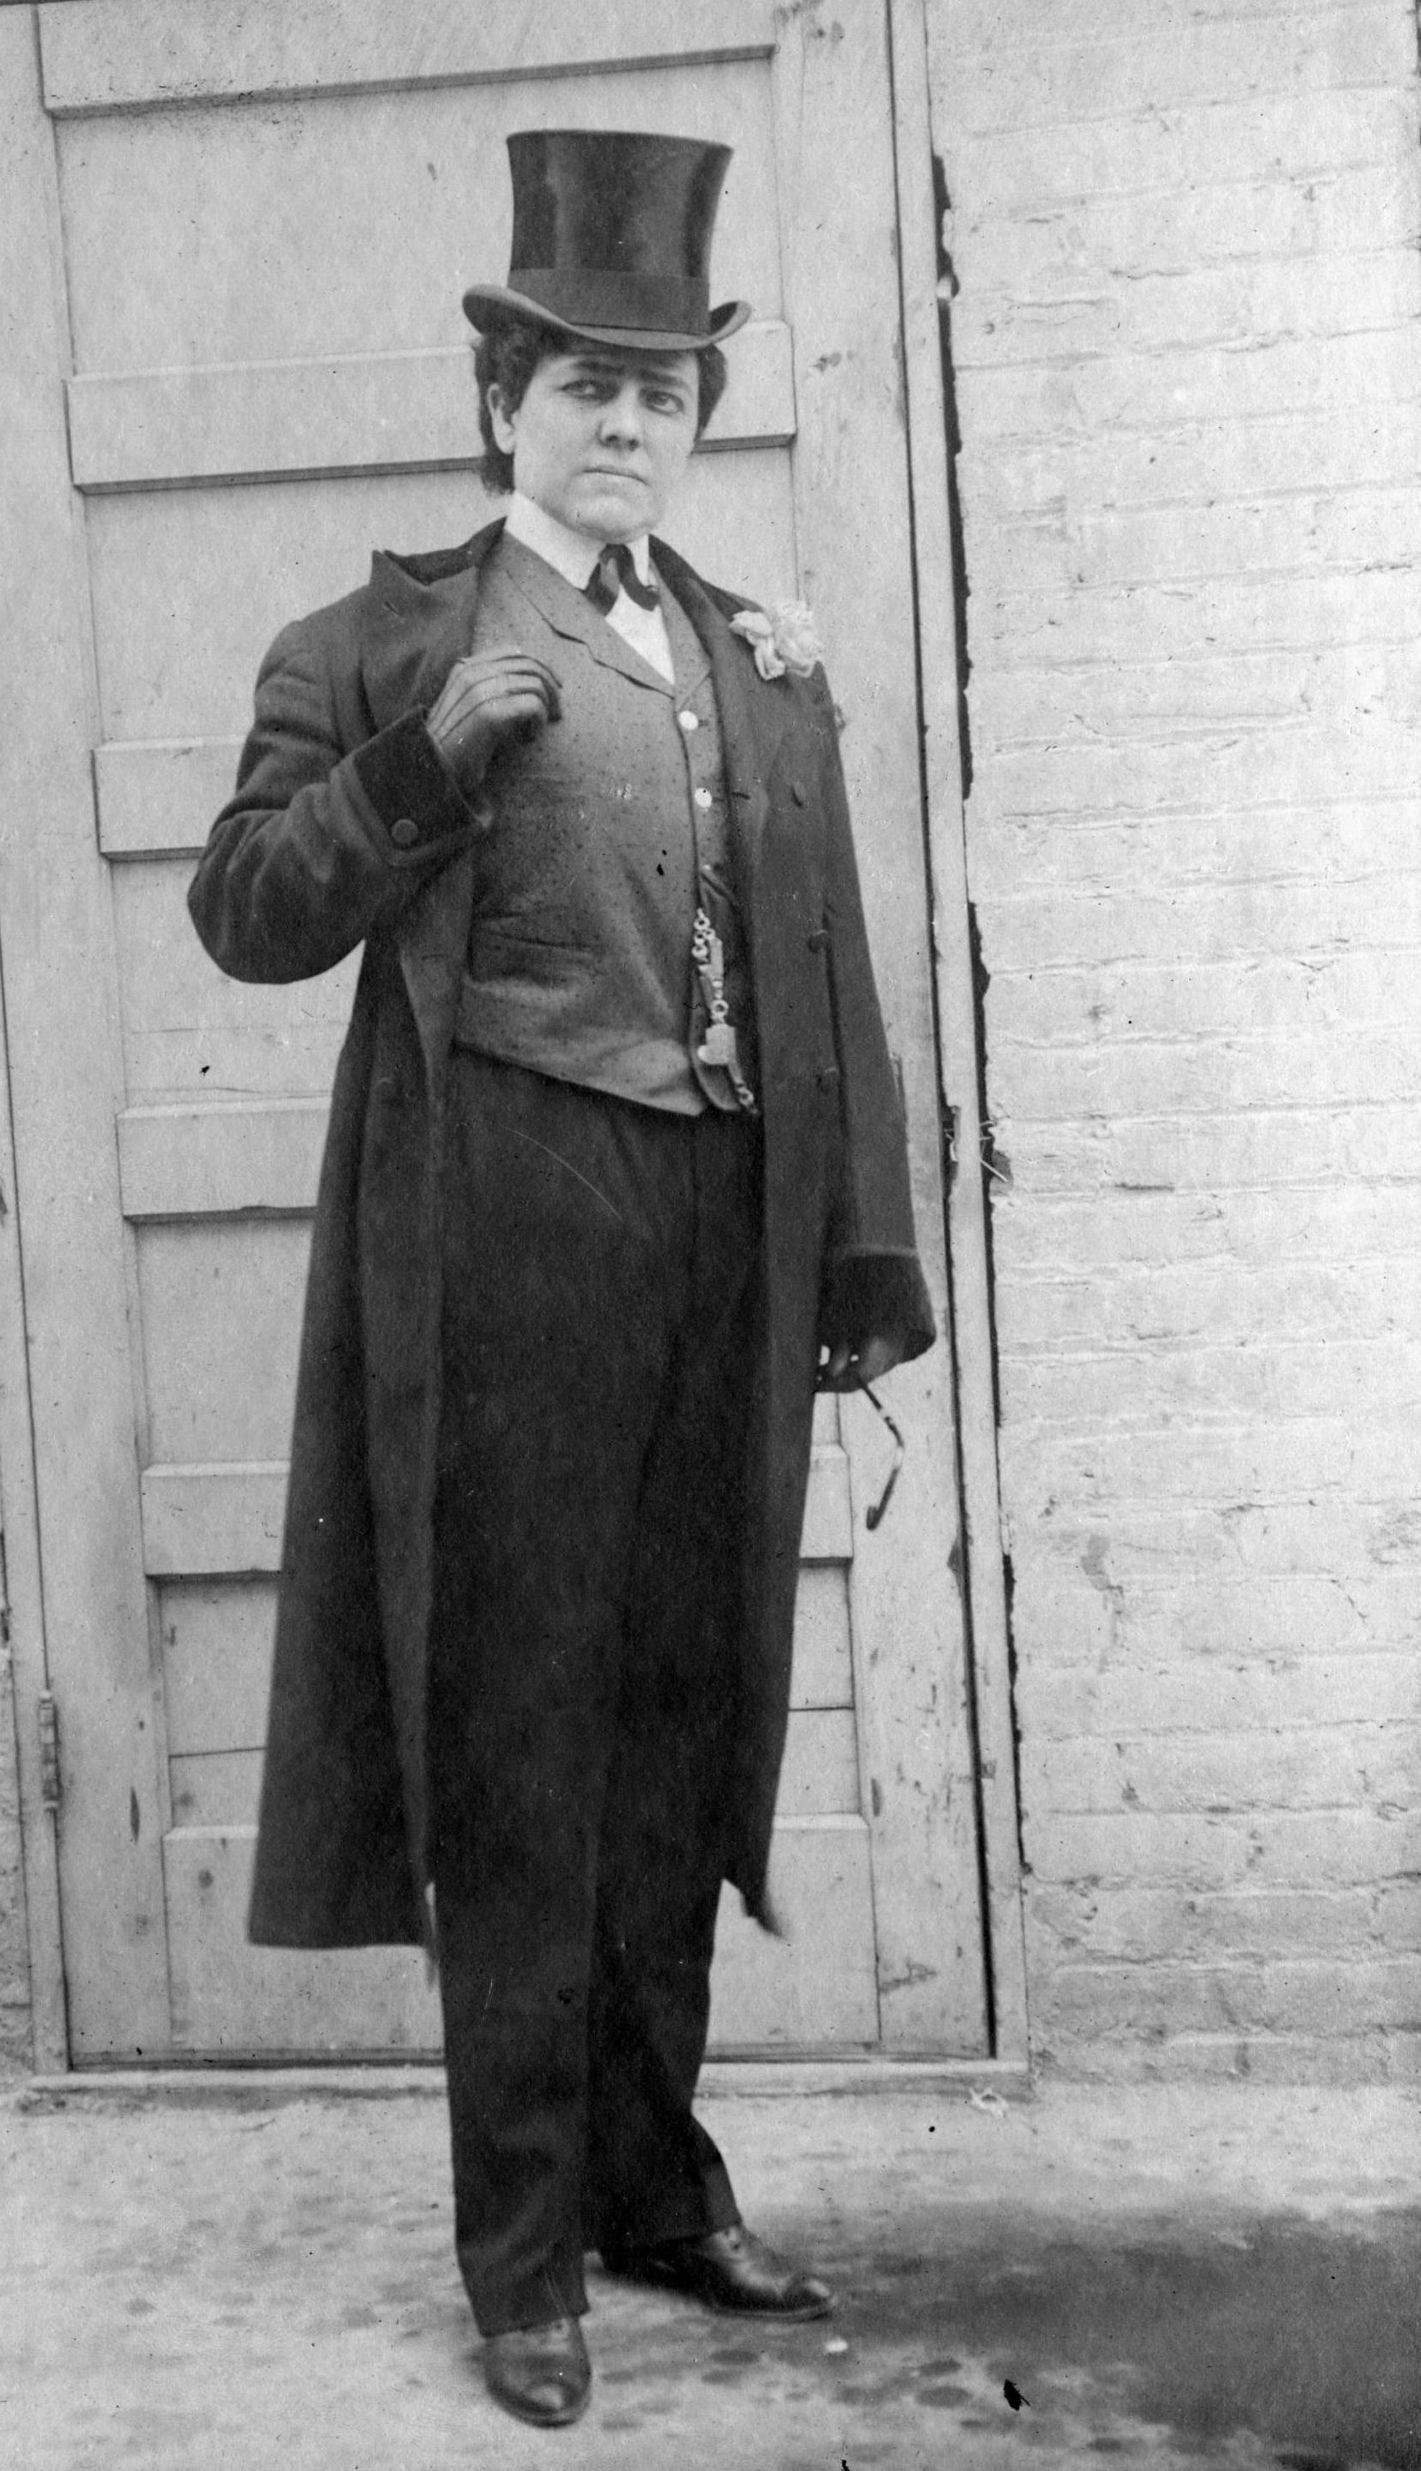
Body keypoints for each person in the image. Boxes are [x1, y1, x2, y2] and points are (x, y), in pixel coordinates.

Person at [187, 129, 935, 2429]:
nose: (626, 425)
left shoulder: (746, 651)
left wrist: (852, 1248)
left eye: (666, 392)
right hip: (505, 1223)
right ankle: (522, 2256)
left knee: (679, 1722)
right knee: (515, 1746)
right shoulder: (376, 641)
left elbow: (818, 970)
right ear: (504, 395)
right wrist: (419, 764)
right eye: (584, 382)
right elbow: (245, 909)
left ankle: (650, 2182)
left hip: (714, 1224)